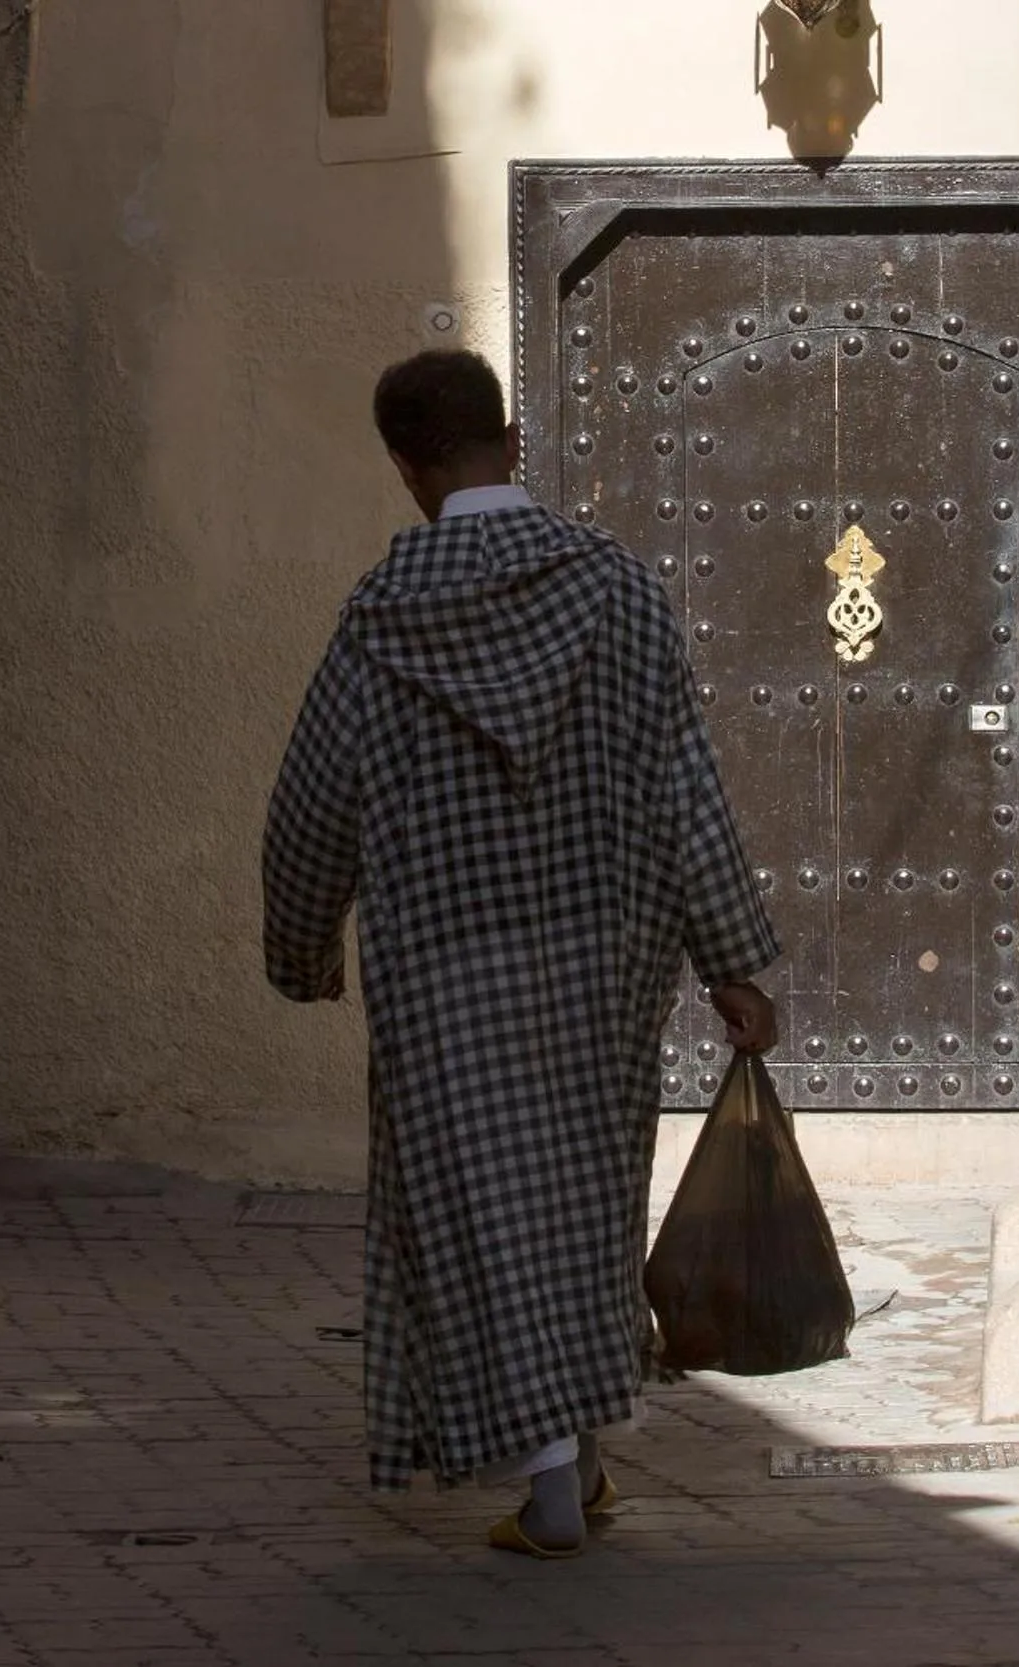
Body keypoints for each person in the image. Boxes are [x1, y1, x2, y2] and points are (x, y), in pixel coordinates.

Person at [261, 348, 781, 1559]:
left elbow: (308, 806)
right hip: (605, 967)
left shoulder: (379, 621)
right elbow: (682, 790)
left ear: (406, 466)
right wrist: (732, 961)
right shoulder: (622, 593)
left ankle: (555, 1490)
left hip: (444, 976)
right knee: (580, 1210)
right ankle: (578, 1466)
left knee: (487, 1217)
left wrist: (302, 946)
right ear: (513, 439)